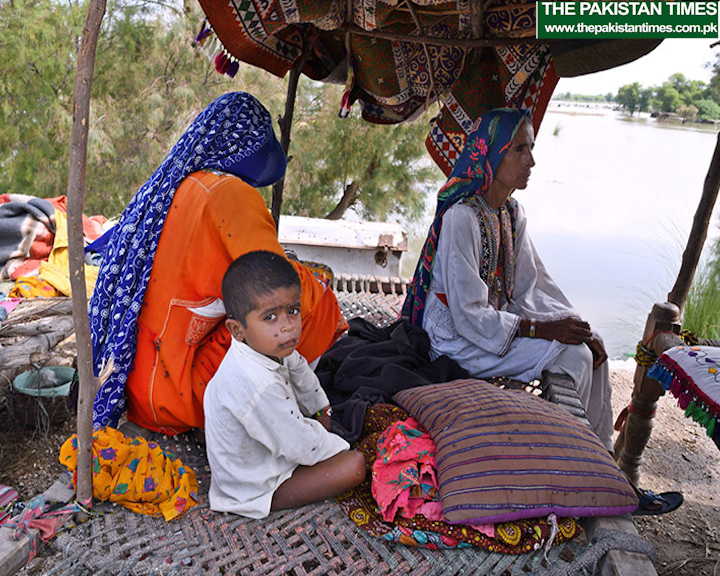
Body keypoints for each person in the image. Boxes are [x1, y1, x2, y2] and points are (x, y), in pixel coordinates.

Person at [88, 92, 347, 435]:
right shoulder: (229, 194)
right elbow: (277, 286)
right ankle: (291, 409)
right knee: (312, 297)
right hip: (179, 393)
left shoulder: (176, 186)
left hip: (140, 385)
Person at [402, 108, 614, 451]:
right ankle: (564, 459)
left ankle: (602, 456)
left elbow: (533, 285)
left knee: (592, 342)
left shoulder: (511, 213)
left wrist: (571, 323)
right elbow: (468, 314)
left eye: (531, 148)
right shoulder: (462, 218)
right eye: (519, 150)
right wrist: (543, 330)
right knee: (574, 357)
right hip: (458, 339)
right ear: (492, 152)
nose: (530, 161)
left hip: (493, 327)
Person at [204, 251, 366, 518]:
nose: (288, 327)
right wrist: (338, 444)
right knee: (355, 466)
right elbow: (301, 445)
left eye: (293, 311)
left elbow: (299, 368)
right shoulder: (257, 384)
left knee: (322, 431)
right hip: (253, 489)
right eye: (270, 317)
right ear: (237, 329)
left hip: (271, 454)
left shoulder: (267, 346)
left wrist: (321, 410)